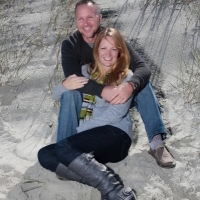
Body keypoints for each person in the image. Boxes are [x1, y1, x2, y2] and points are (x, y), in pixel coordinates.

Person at [57, 0, 175, 168]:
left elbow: (143, 68)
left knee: (143, 84)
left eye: (90, 17)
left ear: (99, 18)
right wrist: (103, 90)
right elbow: (73, 79)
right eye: (80, 19)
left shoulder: (112, 38)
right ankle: (65, 151)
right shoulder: (70, 44)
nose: (86, 23)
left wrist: (130, 86)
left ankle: (157, 144)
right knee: (69, 93)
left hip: (119, 96)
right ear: (75, 21)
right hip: (90, 100)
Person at [38, 27, 136, 200]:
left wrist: (78, 133)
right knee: (45, 155)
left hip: (116, 136)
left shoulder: (126, 77)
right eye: (103, 48)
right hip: (90, 144)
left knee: (64, 148)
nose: (108, 53)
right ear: (96, 50)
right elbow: (56, 95)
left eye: (114, 49)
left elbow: (115, 114)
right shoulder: (85, 72)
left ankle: (115, 190)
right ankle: (105, 184)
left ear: (120, 52)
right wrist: (64, 85)